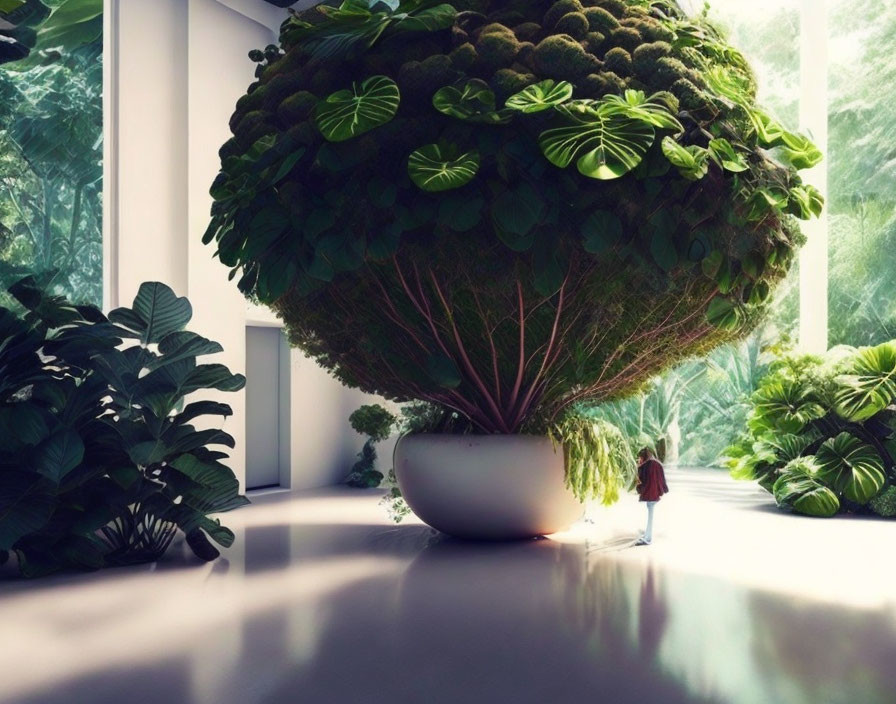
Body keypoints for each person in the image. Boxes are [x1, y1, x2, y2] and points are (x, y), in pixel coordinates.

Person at [635, 448, 668, 546]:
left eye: (640, 458)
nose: (639, 460)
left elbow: (641, 482)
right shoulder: (658, 464)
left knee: (650, 515)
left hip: (649, 494)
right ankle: (647, 535)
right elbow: (662, 480)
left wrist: (638, 489)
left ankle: (648, 538)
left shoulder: (645, 466)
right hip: (656, 493)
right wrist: (663, 490)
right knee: (651, 514)